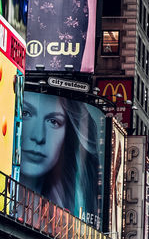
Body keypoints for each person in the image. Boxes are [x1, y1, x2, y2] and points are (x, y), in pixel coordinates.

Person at [20, 92, 101, 226]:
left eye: (54, 122)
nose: (39, 136)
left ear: (67, 136)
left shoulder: (70, 217)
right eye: (25, 113)